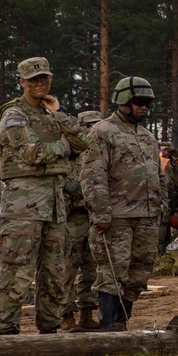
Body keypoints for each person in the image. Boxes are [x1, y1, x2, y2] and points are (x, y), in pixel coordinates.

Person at [0, 57, 86, 335]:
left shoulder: (49, 114)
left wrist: (58, 114)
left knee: (54, 274)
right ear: (22, 82)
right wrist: (63, 147)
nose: (39, 84)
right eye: (33, 80)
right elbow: (33, 154)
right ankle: (4, 333)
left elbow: (83, 143)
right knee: (17, 272)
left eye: (43, 78)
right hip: (23, 206)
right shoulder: (14, 115)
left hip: (55, 206)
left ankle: (49, 332)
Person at [80, 77, 166, 331]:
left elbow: (158, 175)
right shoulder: (102, 132)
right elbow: (93, 175)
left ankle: (121, 320)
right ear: (123, 101)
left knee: (140, 272)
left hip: (147, 216)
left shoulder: (149, 137)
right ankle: (109, 325)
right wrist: (100, 212)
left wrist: (160, 207)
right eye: (139, 102)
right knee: (113, 271)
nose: (144, 108)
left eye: (147, 104)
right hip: (116, 217)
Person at [60, 110, 105, 332]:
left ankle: (87, 313)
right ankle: (66, 315)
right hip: (71, 218)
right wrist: (69, 186)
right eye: (90, 126)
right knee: (68, 268)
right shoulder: (68, 152)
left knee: (91, 268)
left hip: (93, 217)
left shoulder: (99, 153)